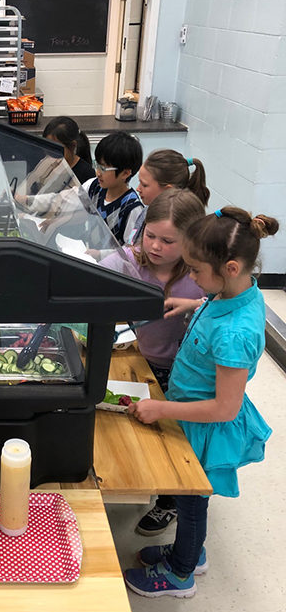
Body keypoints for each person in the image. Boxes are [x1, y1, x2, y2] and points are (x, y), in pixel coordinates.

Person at [124, 206, 279, 598]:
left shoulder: (234, 334)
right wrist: (192, 304)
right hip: (191, 412)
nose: (190, 278)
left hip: (205, 426)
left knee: (191, 502)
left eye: (195, 271)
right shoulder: (236, 291)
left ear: (230, 267)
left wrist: (161, 408)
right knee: (188, 500)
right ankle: (189, 552)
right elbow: (217, 304)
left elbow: (225, 407)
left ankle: (181, 573)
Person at [101, 189, 207, 535]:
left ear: (191, 242)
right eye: (150, 235)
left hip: (180, 373)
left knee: (174, 440)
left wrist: (194, 305)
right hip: (137, 362)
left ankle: (169, 500)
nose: (155, 246)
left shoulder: (200, 276)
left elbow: (224, 302)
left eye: (168, 241)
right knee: (134, 431)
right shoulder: (128, 262)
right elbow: (92, 279)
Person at [82, 131, 145, 246]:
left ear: (125, 173)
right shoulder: (93, 186)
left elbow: (130, 250)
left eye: (103, 168)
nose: (98, 173)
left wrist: (100, 254)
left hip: (109, 258)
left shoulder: (132, 209)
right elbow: (70, 200)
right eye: (97, 165)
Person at [137, 149, 210, 208]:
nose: (138, 189)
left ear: (168, 190)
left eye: (144, 185)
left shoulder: (177, 221)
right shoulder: (148, 212)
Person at [42, 116, 95, 183]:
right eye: (47, 148)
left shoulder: (87, 175)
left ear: (72, 146)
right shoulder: (46, 164)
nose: (52, 155)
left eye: (56, 150)